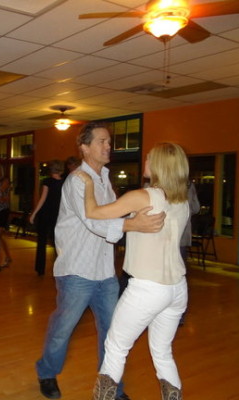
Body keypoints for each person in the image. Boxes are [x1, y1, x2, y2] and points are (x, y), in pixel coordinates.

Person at [35, 122, 165, 400]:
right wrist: (133, 226)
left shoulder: (105, 178)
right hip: (77, 272)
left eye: (109, 141)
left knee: (112, 334)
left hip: (105, 272)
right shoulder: (77, 181)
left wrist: (134, 220)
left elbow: (113, 215)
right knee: (63, 329)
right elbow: (94, 221)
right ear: (84, 147)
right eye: (102, 141)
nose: (109, 146)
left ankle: (113, 389)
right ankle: (47, 372)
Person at [75, 143, 190, 400]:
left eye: (149, 157)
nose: (145, 160)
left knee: (115, 347)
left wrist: (90, 186)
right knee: (162, 351)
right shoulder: (181, 200)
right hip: (177, 289)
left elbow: (93, 213)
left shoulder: (143, 196)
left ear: (160, 165)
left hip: (148, 289)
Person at [29, 159, 64, 276]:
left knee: (42, 241)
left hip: (45, 214)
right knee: (57, 243)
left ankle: (40, 269)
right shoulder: (64, 183)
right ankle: (60, 268)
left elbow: (42, 199)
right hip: (57, 215)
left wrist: (34, 213)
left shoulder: (47, 181)